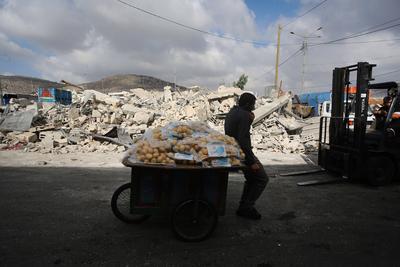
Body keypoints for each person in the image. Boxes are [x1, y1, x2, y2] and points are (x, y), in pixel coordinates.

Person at [224, 92, 268, 220]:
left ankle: (244, 206)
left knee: (251, 179)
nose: (254, 107)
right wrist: (250, 161)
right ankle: (246, 207)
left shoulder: (233, 112)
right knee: (262, 179)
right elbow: (243, 140)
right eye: (253, 105)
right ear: (248, 104)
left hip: (233, 149)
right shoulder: (244, 116)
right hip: (241, 152)